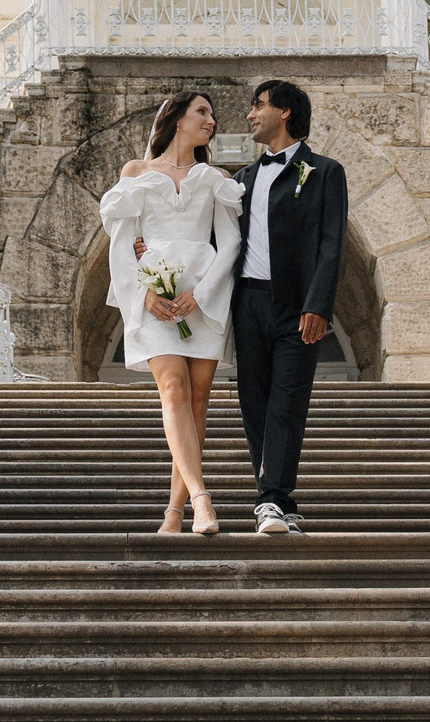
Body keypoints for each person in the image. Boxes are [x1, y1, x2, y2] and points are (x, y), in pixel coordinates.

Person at [98, 91, 240, 536]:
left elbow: (231, 242)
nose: (211, 121)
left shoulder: (215, 177)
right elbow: (122, 242)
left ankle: (173, 513)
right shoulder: (136, 173)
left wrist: (201, 294)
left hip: (204, 296)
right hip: (153, 294)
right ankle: (202, 498)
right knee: (174, 391)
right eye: (202, 112)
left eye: (212, 115)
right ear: (177, 118)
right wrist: (142, 296)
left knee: (199, 402)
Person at [229, 78, 346, 536]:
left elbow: (331, 245)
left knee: (287, 401)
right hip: (248, 302)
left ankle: (271, 499)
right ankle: (281, 499)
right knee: (253, 402)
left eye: (258, 105)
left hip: (299, 307)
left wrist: (319, 304)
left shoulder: (325, 172)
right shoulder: (242, 180)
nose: (250, 114)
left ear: (286, 113)